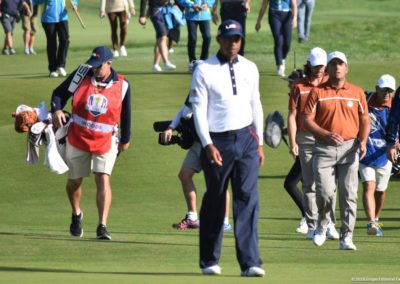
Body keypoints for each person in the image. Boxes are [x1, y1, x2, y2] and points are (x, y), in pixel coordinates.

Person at [189, 19, 265, 277]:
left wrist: (261, 142)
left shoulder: (250, 68)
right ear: (219, 39)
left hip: (246, 139)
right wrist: (207, 144)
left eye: (237, 39)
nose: (233, 44)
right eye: (228, 39)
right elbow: (198, 110)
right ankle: (209, 260)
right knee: (215, 198)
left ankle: (250, 262)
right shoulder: (204, 69)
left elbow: (256, 103)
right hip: (217, 140)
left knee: (247, 199)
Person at [51, 46, 132, 240]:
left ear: (109, 64)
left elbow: (126, 113)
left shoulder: (122, 84)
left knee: (103, 178)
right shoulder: (81, 75)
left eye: (98, 66)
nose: (94, 69)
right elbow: (59, 94)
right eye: (93, 65)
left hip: (106, 141)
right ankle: (76, 213)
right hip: (78, 137)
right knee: (74, 182)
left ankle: (102, 226)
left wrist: (126, 139)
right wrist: (57, 110)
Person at [303, 51, 370, 250]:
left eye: (341, 64)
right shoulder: (318, 92)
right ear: (328, 68)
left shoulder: (357, 92)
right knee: (324, 193)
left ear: (346, 68)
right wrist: (324, 134)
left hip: (350, 148)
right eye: (333, 64)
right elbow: (306, 120)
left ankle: (346, 237)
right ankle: (322, 226)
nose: (337, 67)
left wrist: (364, 141)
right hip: (323, 149)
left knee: (349, 194)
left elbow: (365, 118)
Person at [287, 47, 339, 240]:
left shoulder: (330, 85)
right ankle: (312, 225)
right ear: (309, 65)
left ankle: (330, 224)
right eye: (316, 66)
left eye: (322, 66)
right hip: (305, 139)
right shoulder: (299, 87)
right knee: (308, 184)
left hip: (325, 138)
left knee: (328, 185)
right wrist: (293, 141)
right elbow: (292, 116)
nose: (319, 69)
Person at [161, 95, 232, 231]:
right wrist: (171, 127)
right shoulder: (196, 86)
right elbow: (184, 110)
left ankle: (224, 221)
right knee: (184, 175)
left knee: (218, 180)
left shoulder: (213, 87)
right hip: (197, 143)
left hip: (213, 143)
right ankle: (192, 217)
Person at [360, 74, 396, 237]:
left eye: (390, 91)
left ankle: (376, 217)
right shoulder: (365, 100)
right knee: (369, 186)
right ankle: (371, 223)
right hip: (366, 152)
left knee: (381, 190)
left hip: (385, 155)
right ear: (377, 89)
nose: (387, 94)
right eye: (384, 90)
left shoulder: (395, 108)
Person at [34, 0, 78, 77]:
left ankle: (60, 66)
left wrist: (74, 4)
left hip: (62, 17)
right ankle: (52, 69)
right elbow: (36, 1)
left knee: (65, 40)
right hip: (48, 18)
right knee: (52, 43)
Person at [255, 0, 297, 77]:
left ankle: (282, 58)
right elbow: (264, 5)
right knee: (278, 40)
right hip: (274, 14)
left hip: (287, 15)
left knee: (287, 44)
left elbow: (294, 4)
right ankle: (279, 64)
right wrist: (258, 21)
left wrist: (294, 18)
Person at [139, 0, 177, 72]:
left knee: (160, 38)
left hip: (167, 11)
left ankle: (155, 64)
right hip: (155, 11)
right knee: (162, 36)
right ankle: (166, 62)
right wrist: (142, 15)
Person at [177, 0, 214, 72]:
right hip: (191, 15)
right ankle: (192, 61)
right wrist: (191, 5)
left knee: (207, 37)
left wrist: (207, 4)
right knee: (192, 38)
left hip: (204, 15)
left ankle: (203, 60)